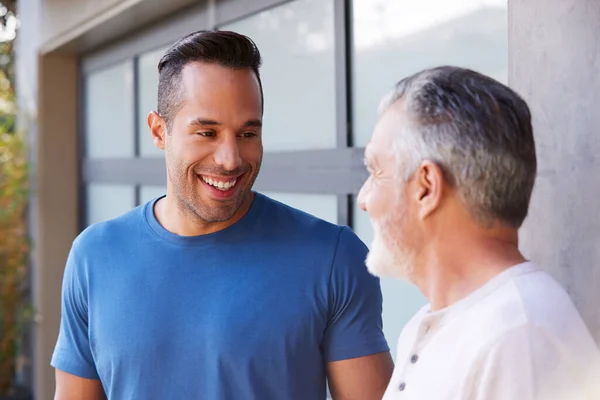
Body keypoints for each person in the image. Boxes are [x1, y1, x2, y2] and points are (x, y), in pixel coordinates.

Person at [51, 30, 393, 400]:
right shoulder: (94, 257)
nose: (231, 159)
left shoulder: (333, 258)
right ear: (158, 131)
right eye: (207, 132)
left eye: (247, 133)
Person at [357, 66, 600, 399]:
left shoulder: (519, 336)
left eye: (375, 171)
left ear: (426, 187)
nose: (363, 200)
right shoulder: (434, 324)